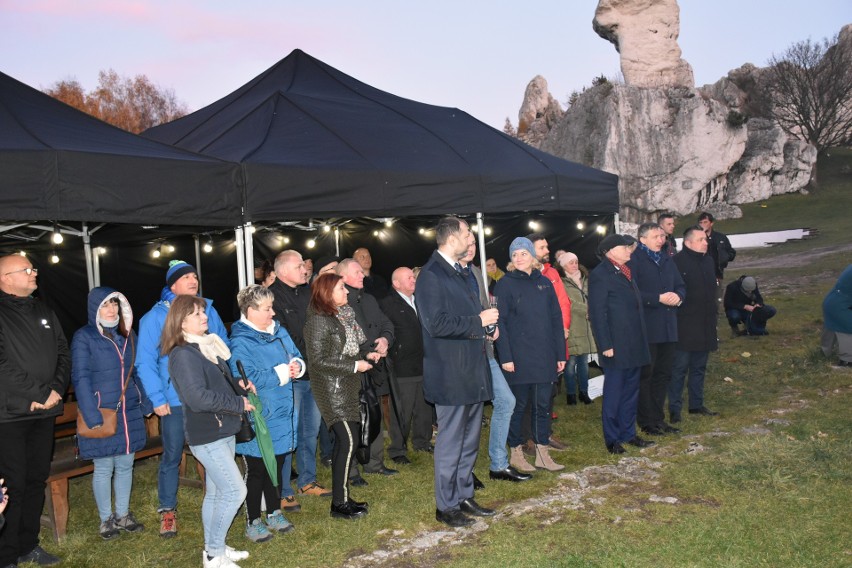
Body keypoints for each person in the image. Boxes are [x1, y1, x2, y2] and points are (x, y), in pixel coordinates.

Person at [137, 259, 230, 537]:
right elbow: (145, 361)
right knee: (173, 454)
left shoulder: (208, 310)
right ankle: (167, 510)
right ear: (172, 285)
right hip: (175, 399)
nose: (193, 280)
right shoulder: (154, 318)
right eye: (186, 277)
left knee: (214, 449)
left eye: (195, 276)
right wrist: (157, 397)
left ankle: (214, 499)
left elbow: (223, 346)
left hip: (208, 396)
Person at [417, 217, 498, 527]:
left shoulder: (463, 272)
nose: (471, 237)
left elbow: (468, 317)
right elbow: (435, 324)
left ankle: (463, 495)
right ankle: (446, 505)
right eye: (467, 232)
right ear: (452, 238)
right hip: (450, 373)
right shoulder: (431, 275)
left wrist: (486, 327)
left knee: (469, 440)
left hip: (472, 370)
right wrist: (478, 321)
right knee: (451, 441)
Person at [162, 295, 254, 568]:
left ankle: (215, 548)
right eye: (196, 314)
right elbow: (198, 398)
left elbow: (216, 385)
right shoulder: (183, 354)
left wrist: (238, 386)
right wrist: (237, 403)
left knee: (215, 494)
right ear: (180, 322)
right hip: (207, 434)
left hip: (222, 428)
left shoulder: (206, 346)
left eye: (203, 312)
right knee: (235, 492)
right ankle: (214, 555)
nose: (204, 316)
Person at [0, 255, 70, 567]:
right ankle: (6, 554)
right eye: (26, 270)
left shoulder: (43, 309)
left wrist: (54, 390)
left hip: (43, 414)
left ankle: (29, 545)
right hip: (10, 416)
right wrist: (40, 393)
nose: (34, 273)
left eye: (33, 268)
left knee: (35, 480)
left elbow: (62, 352)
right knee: (11, 485)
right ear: (4, 277)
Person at [71, 287, 151, 540]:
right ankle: (106, 520)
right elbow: (80, 377)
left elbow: (136, 372)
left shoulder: (128, 335)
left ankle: (123, 515)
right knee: (104, 466)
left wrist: (145, 401)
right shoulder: (84, 337)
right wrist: (91, 413)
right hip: (102, 411)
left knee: (126, 464)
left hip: (128, 411)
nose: (112, 310)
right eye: (106, 305)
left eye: (115, 304)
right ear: (95, 308)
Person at [229, 285, 302, 541]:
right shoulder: (240, 341)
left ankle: (274, 511)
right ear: (250, 311)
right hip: (259, 416)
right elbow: (246, 379)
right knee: (257, 470)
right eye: (267, 309)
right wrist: (283, 373)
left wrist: (297, 366)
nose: (273, 313)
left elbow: (296, 355)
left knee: (278, 465)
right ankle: (253, 520)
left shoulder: (279, 332)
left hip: (283, 412)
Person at [303, 273, 378, 520]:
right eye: (341, 288)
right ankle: (339, 504)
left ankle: (342, 498)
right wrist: (356, 366)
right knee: (348, 442)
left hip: (346, 385)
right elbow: (318, 361)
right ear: (327, 293)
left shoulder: (342, 316)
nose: (346, 291)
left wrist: (366, 358)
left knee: (346, 444)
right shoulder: (318, 321)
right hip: (331, 389)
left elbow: (349, 350)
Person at [495, 238, 566, 472]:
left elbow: (556, 320)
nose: (519, 258)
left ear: (532, 257)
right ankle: (516, 452)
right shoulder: (505, 284)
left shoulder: (545, 283)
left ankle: (542, 453)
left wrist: (560, 354)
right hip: (518, 357)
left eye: (524, 253)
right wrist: (505, 356)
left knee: (543, 405)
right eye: (514, 254)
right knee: (519, 405)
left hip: (544, 355)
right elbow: (501, 323)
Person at [268, 251, 331, 499]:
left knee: (309, 430)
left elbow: (322, 325)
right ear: (283, 270)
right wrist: (312, 354)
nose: (305, 270)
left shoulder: (308, 293)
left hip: (313, 373)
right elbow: (282, 337)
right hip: (290, 377)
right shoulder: (271, 296)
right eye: (299, 267)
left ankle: (307, 480)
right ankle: (283, 490)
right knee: (288, 433)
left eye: (304, 266)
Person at [588, 235, 655, 454]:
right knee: (615, 392)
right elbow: (598, 313)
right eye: (624, 247)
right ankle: (612, 438)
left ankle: (629, 433)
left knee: (631, 391)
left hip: (633, 342)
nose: (629, 250)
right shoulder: (600, 275)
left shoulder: (626, 271)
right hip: (616, 345)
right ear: (609, 251)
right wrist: (605, 343)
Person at [336, 259, 397, 481]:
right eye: (357, 272)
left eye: (362, 272)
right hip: (352, 371)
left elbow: (386, 323)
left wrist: (385, 339)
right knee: (352, 421)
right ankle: (351, 472)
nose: (363, 275)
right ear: (342, 277)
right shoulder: (338, 304)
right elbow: (344, 340)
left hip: (374, 368)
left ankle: (375, 463)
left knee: (375, 415)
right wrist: (368, 351)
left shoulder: (369, 298)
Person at [630, 223, 686, 437]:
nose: (661, 239)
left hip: (669, 326)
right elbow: (632, 292)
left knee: (663, 374)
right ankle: (646, 420)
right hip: (647, 327)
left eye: (662, 236)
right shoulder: (635, 261)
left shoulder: (666, 259)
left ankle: (658, 418)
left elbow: (681, 285)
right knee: (647, 375)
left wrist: (679, 297)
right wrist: (657, 299)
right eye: (656, 236)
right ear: (642, 239)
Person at [379, 267, 433, 463]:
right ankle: (397, 450)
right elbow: (384, 331)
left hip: (425, 364)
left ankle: (422, 441)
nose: (413, 280)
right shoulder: (387, 304)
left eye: (413, 276)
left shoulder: (421, 300)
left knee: (424, 407)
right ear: (396, 283)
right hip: (402, 367)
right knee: (402, 410)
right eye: (409, 277)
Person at [668, 226, 720, 422]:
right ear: (688, 242)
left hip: (705, 323)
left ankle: (696, 405)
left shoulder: (708, 260)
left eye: (706, 239)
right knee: (679, 369)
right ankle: (675, 409)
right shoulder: (677, 262)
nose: (706, 242)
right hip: (685, 325)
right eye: (701, 240)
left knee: (699, 367)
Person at [558, 252, 596, 405]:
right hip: (572, 326)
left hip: (586, 326)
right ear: (563, 265)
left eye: (576, 261)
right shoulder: (562, 282)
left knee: (584, 363)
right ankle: (571, 394)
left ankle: (584, 393)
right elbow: (568, 301)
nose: (574, 265)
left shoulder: (586, 279)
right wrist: (587, 310)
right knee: (570, 363)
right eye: (570, 262)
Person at [697, 212, 736, 308]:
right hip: (700, 274)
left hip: (717, 274)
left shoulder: (720, 237)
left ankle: (714, 320)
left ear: (711, 223)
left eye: (705, 222)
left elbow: (731, 252)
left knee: (716, 299)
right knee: (701, 300)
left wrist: (725, 257)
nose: (703, 225)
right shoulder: (696, 238)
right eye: (701, 222)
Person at [822, 265, 852, 368]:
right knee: (847, 326)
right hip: (842, 305)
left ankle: (827, 353)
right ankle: (846, 362)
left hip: (833, 301)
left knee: (832, 327)